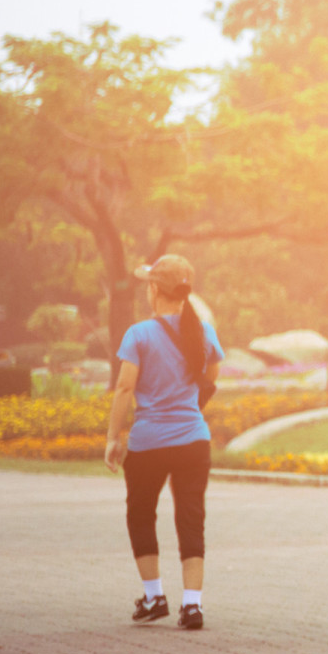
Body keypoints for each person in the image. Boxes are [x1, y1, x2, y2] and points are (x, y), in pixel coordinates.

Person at [104, 254, 224, 632]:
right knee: (191, 517)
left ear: (155, 290)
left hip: (148, 443)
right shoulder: (204, 331)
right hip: (193, 440)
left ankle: (154, 597)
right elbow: (212, 374)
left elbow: (125, 387)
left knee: (141, 514)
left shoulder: (139, 334)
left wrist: (112, 437)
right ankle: (192, 606)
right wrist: (190, 407)